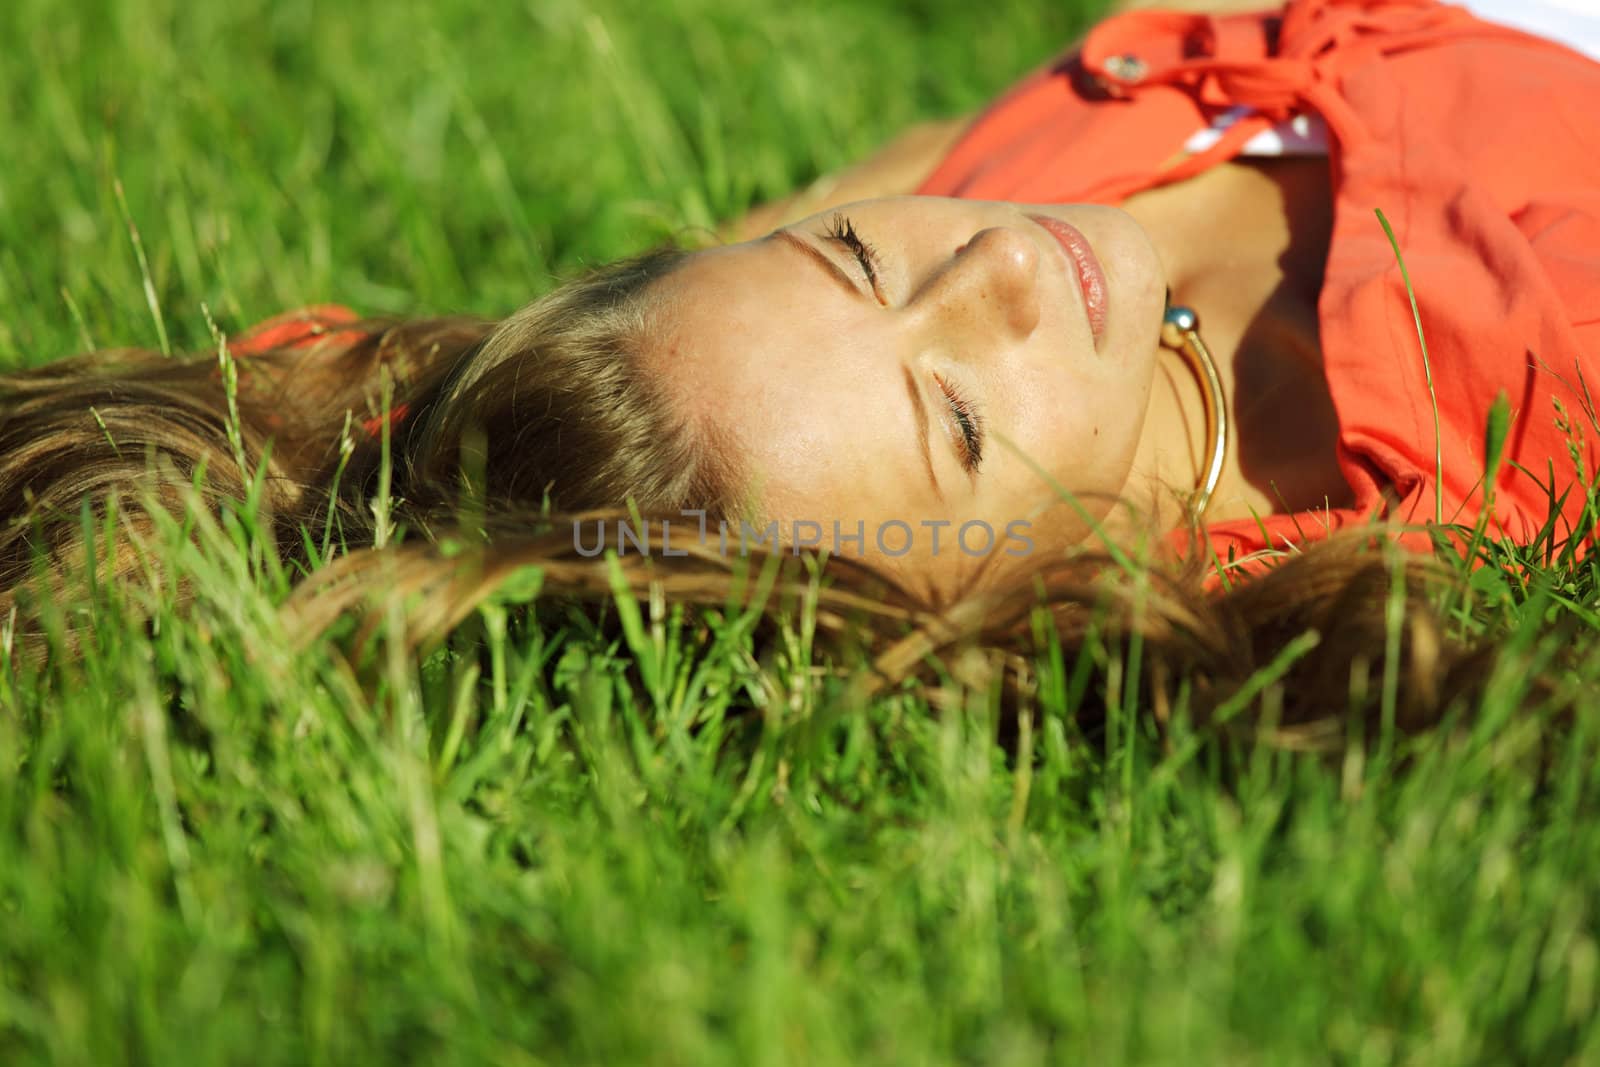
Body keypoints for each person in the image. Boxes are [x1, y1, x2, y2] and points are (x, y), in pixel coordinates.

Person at [3, 0, 1597, 733]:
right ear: (1013, 595)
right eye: (961, 421)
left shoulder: (987, 196)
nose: (999, 271)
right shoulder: (1509, 389)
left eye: (852, 256)